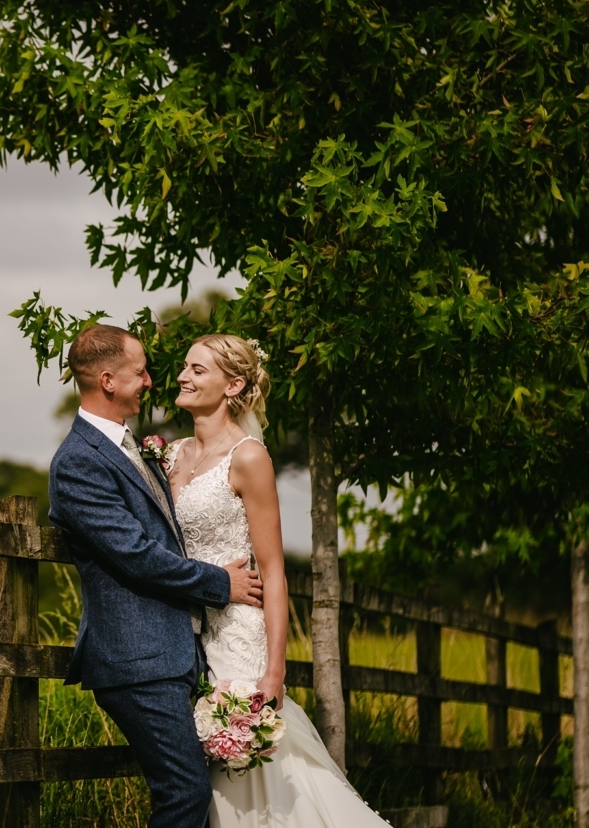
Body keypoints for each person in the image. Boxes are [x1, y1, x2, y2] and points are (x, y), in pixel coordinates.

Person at [169, 333, 391, 827]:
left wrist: (275, 670)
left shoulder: (249, 458)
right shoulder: (171, 456)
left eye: (197, 370)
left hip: (236, 635)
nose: (183, 376)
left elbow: (271, 572)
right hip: (183, 630)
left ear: (234, 384)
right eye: (185, 367)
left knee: (248, 775)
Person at [48, 323, 264, 828]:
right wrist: (220, 583)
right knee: (185, 792)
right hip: (135, 656)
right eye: (140, 373)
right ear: (108, 380)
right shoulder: (78, 462)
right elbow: (135, 554)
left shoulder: (131, 446)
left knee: (194, 789)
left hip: (172, 652)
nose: (151, 382)